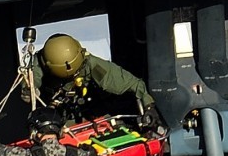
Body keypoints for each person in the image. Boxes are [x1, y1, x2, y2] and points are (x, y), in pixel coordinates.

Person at [27, 33, 158, 126]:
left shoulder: (90, 64)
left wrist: (148, 106)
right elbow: (31, 84)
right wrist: (28, 91)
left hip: (88, 112)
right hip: (54, 117)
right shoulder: (38, 64)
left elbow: (132, 83)